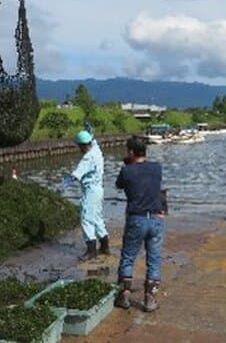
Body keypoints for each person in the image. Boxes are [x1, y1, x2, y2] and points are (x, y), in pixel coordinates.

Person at [114, 135, 165, 312]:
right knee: (154, 260)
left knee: (128, 257)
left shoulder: (126, 171)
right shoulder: (157, 168)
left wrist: (127, 165)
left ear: (130, 152)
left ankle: (124, 296)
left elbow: (119, 184)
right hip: (156, 218)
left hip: (137, 218)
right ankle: (150, 299)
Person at [68, 129, 110, 260]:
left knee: (86, 218)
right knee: (97, 217)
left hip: (90, 191)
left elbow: (76, 174)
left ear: (83, 145)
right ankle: (104, 246)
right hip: (99, 189)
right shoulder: (97, 150)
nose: (79, 148)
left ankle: (91, 250)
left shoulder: (88, 158)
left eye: (79, 146)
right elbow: (94, 140)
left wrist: (66, 181)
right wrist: (90, 131)